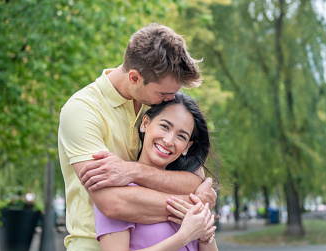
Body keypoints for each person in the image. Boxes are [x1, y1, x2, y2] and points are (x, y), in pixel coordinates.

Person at [58, 23, 217, 250]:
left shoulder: (155, 102)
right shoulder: (82, 111)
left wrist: (131, 170)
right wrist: (195, 206)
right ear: (134, 78)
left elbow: (193, 176)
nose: (171, 99)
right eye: (164, 93)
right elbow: (113, 204)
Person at [94, 93, 218, 250]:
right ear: (145, 123)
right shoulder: (117, 188)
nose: (168, 140)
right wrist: (184, 236)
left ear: (187, 147)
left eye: (181, 136)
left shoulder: (192, 191)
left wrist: (206, 235)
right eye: (165, 127)